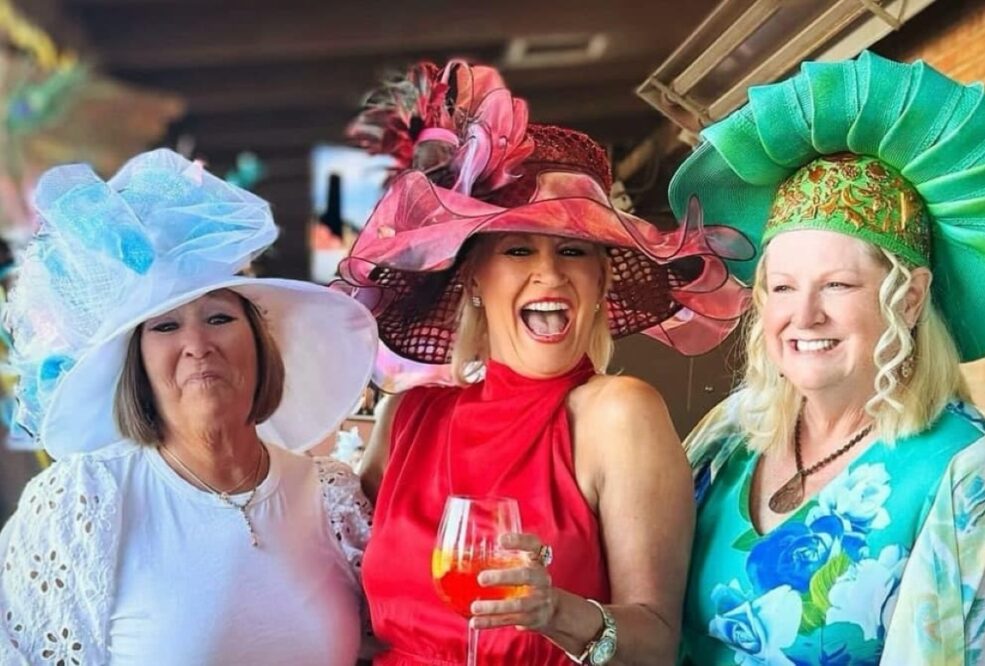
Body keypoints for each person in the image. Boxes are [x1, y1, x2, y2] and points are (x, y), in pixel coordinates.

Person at [338, 60, 752, 665]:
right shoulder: (406, 417)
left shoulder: (619, 413)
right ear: (474, 275)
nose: (550, 272)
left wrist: (557, 611)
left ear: (601, 276)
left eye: (573, 250)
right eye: (518, 248)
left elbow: (656, 643)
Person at [669, 51, 985, 664]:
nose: (803, 316)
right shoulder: (731, 432)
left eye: (837, 285)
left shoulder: (969, 471)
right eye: (781, 287)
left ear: (909, 299)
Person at [0, 149, 379, 665]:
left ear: (259, 341)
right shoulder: (82, 502)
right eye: (165, 326)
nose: (197, 344)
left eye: (219, 318)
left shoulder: (334, 498)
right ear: (137, 362)